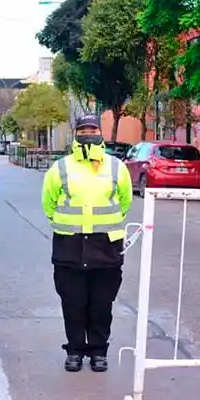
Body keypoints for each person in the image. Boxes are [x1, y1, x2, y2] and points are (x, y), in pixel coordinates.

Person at [40, 114, 133, 373]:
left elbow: (125, 203)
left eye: (93, 128)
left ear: (100, 132)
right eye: (83, 129)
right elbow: (49, 204)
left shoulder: (116, 167)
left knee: (102, 305)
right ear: (75, 133)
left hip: (106, 249)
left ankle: (99, 352)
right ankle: (75, 351)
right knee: (73, 304)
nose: (88, 133)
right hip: (69, 248)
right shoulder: (60, 168)